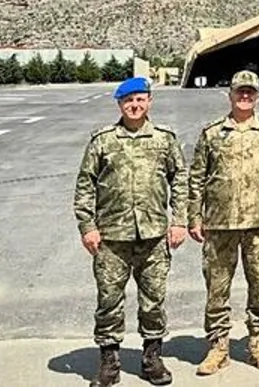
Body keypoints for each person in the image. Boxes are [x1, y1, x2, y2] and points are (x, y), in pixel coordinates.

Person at [72, 76, 188, 387]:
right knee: (109, 301)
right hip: (111, 238)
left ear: (149, 101)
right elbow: (85, 185)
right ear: (119, 104)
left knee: (153, 301)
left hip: (153, 236)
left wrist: (179, 220)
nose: (134, 106)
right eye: (128, 101)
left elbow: (180, 180)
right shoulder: (103, 140)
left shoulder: (164, 139)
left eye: (140, 99)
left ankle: (152, 359)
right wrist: (87, 226)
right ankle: (109, 363)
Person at [189, 70, 259, 375]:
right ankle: (218, 346)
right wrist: (194, 216)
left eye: (250, 92)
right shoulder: (212, 133)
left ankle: (258, 342)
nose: (245, 96)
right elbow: (197, 177)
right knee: (217, 288)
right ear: (230, 95)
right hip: (220, 224)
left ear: (257, 96)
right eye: (240, 92)